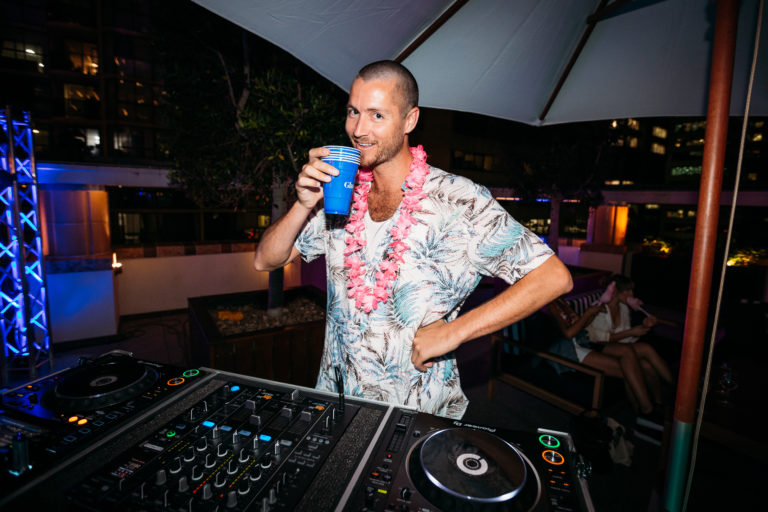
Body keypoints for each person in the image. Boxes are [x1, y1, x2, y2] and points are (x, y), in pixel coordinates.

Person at [253, 60, 572, 419]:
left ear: (409, 120)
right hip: (335, 401)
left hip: (414, 413)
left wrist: (455, 332)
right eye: (353, 111)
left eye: (377, 115)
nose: (358, 129)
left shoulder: (460, 200)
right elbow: (266, 260)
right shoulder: (340, 192)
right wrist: (303, 203)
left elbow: (553, 277)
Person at [547, 296, 664, 418]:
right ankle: (645, 411)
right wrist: (587, 314)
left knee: (629, 367)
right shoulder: (551, 306)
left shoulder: (561, 302)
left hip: (580, 343)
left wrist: (593, 313)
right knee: (628, 370)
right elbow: (568, 334)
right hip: (566, 349)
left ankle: (644, 411)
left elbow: (581, 324)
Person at [585, 274, 675, 414]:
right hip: (598, 345)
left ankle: (658, 403)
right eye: (627, 290)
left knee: (647, 365)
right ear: (615, 292)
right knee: (646, 348)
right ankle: (678, 389)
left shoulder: (623, 307)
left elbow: (626, 335)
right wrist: (631, 332)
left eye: (631, 290)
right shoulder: (600, 308)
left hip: (620, 346)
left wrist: (645, 325)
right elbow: (600, 338)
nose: (631, 294)